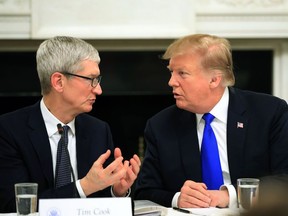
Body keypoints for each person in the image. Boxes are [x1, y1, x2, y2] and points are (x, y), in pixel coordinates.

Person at [134, 34, 288, 209]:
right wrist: (177, 199)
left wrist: (228, 196)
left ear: (214, 79)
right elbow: (144, 191)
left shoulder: (269, 113)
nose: (171, 82)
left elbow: (284, 179)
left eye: (182, 73)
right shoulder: (160, 125)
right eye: (171, 72)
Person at [0, 36, 141, 213]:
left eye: (98, 80)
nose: (98, 90)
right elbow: (14, 205)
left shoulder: (99, 130)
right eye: (91, 79)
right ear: (59, 82)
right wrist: (84, 186)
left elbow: (102, 203)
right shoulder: (9, 130)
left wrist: (117, 191)